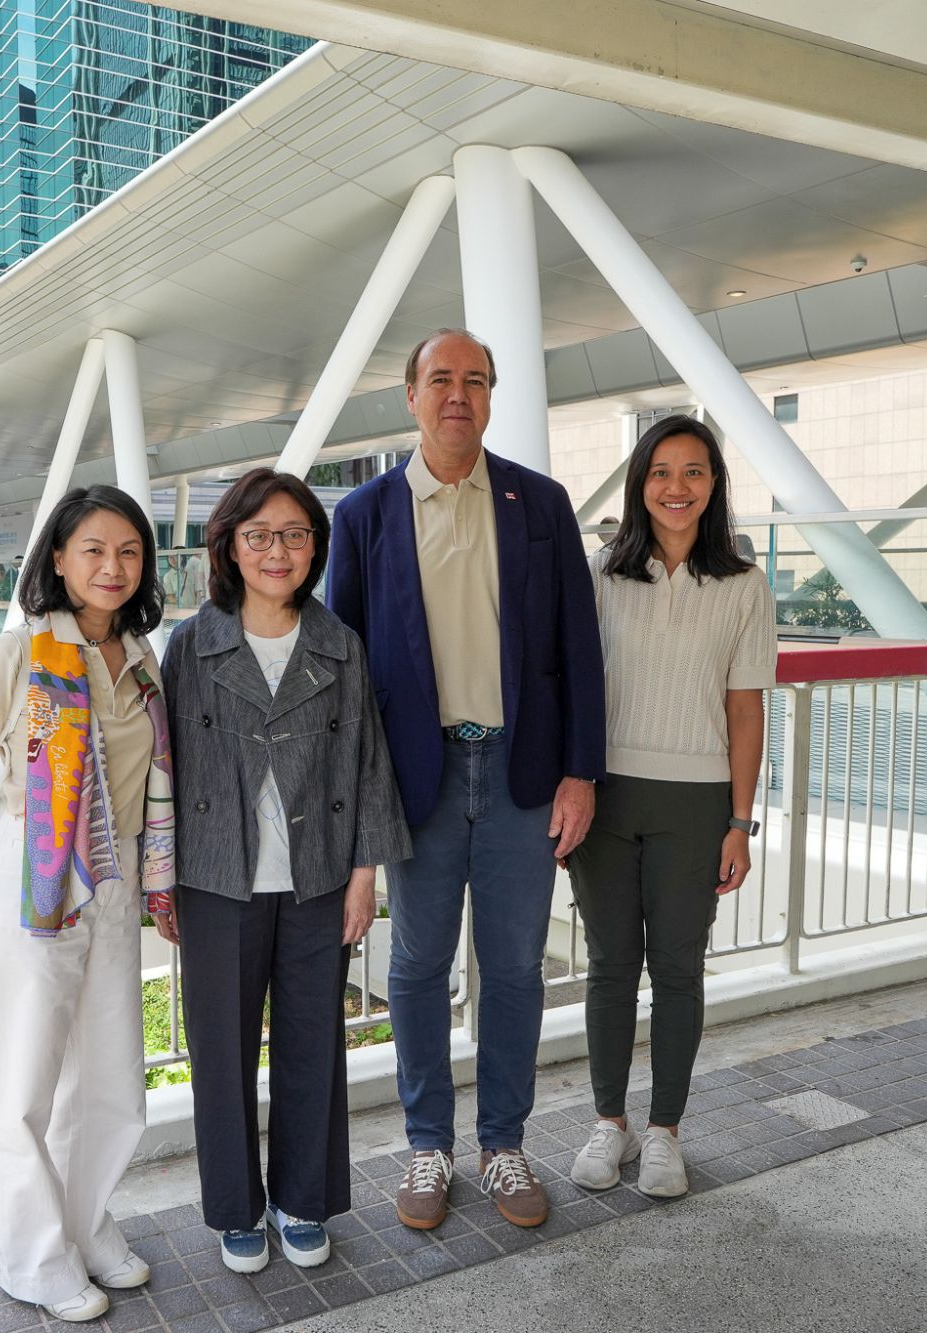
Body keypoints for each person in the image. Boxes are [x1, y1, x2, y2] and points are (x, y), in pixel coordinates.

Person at [328, 328, 605, 1230]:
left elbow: (579, 653)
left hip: (524, 774)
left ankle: (504, 1143)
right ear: (408, 396)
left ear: (492, 396)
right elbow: (346, 670)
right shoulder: (364, 516)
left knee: (518, 968)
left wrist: (581, 773)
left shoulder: (541, 503)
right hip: (421, 777)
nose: (459, 394)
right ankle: (426, 1146)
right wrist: (361, 801)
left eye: (475, 380)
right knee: (414, 966)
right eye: (440, 379)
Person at [0, 485, 176, 1324]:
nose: (112, 566)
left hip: (111, 887)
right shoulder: (20, 654)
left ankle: (85, 1224)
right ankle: (34, 1258)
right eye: (94, 549)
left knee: (109, 1077)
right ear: (59, 560)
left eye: (129, 551)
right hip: (30, 885)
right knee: (25, 1082)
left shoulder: (144, 660)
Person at [160, 467, 410, 1273]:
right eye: (260, 534)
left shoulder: (339, 645)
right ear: (230, 544)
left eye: (295, 535)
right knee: (221, 1052)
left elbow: (367, 763)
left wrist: (365, 874)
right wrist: (160, 874)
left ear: (315, 548)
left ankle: (301, 1197)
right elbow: (164, 770)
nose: (279, 550)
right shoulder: (192, 644)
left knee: (312, 1044)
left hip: (317, 877)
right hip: (215, 876)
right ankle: (237, 1209)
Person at [565, 414, 776, 1199]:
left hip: (699, 803)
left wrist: (741, 821)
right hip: (606, 794)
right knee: (611, 968)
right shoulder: (599, 574)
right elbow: (572, 686)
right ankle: (609, 1122)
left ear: (714, 482)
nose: (675, 488)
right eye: (660, 472)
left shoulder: (747, 585)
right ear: (639, 482)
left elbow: (747, 709)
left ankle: (665, 1132)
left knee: (678, 969)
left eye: (693, 472)